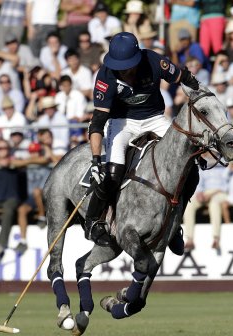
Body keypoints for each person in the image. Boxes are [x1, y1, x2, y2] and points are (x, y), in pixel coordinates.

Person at [83, 32, 201, 254]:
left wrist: (199, 91)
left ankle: (175, 227)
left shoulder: (154, 61)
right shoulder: (106, 76)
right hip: (121, 122)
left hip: (154, 119)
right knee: (112, 172)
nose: (123, 71)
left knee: (190, 170)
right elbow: (97, 122)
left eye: (126, 66)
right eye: (119, 66)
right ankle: (92, 221)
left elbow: (183, 77)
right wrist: (96, 160)